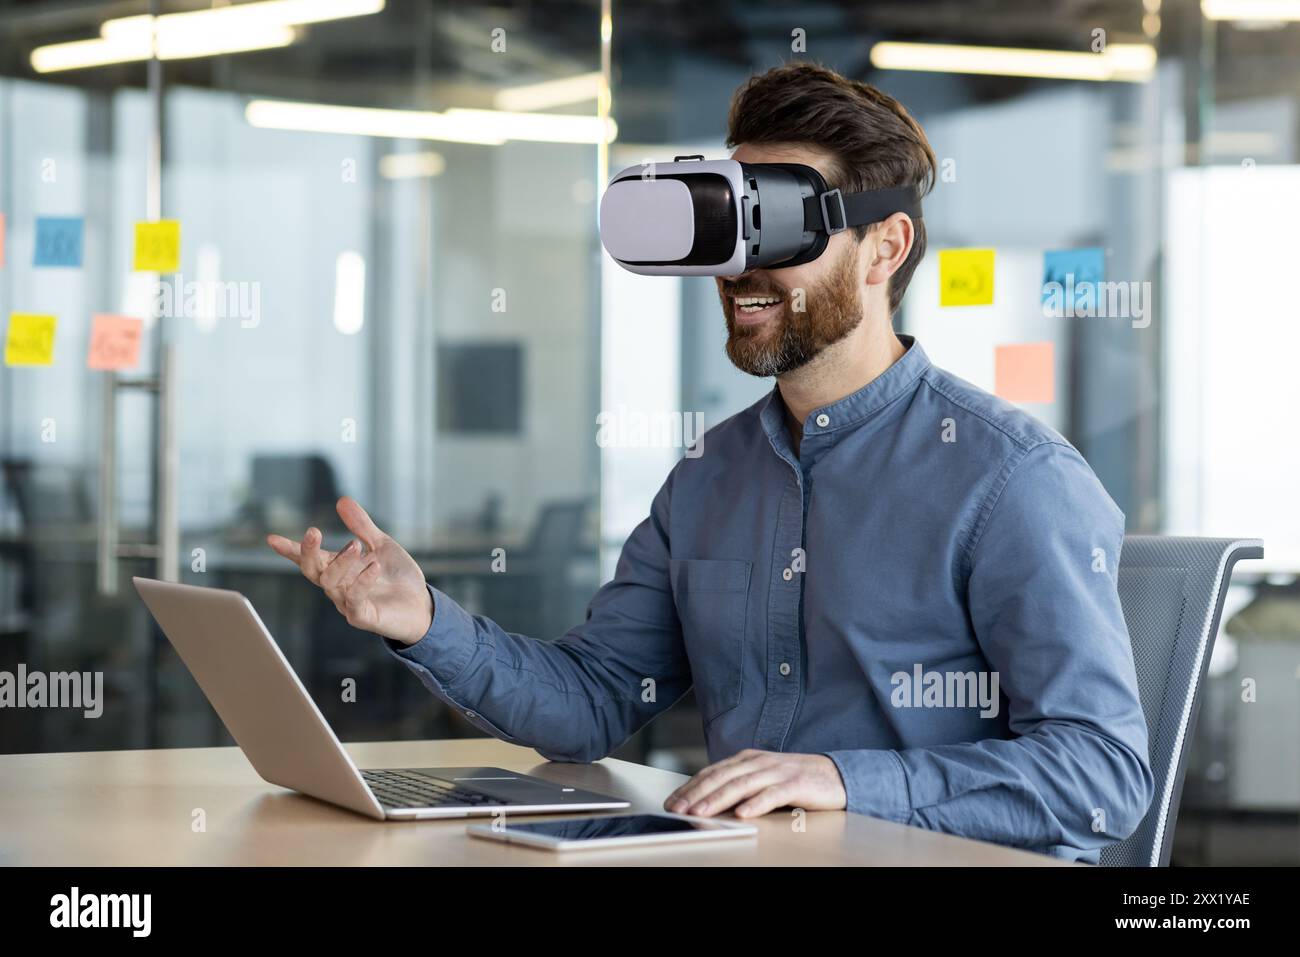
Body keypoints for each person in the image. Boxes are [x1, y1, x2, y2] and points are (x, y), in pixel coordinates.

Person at [268, 62, 1153, 862]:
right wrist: (423, 618)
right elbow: (592, 702)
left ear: (886, 247)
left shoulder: (1013, 478)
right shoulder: (711, 475)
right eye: (732, 226)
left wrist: (843, 780)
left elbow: (1103, 772)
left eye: (777, 225)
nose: (741, 268)